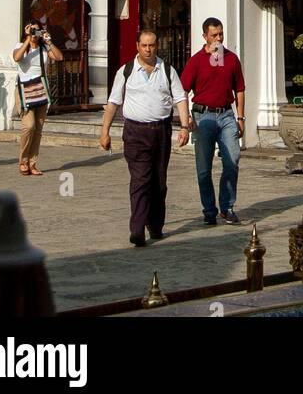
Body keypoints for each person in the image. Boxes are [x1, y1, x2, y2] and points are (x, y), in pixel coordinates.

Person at [99, 28, 190, 247]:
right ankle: (137, 229)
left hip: (160, 131)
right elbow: (113, 102)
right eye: (144, 46)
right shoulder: (126, 71)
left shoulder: (167, 70)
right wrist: (105, 131)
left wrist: (185, 126)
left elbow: (180, 98)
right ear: (137, 46)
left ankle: (155, 224)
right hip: (135, 132)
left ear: (157, 46)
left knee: (158, 181)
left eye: (152, 46)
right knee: (140, 179)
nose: (148, 50)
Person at [181, 17, 246, 226]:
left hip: (226, 115)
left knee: (232, 159)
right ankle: (209, 209)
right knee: (203, 168)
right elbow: (182, 90)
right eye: (214, 35)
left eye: (221, 34)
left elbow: (240, 89)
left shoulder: (232, 59)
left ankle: (227, 207)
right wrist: (187, 118)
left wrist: (241, 117)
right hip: (203, 116)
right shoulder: (196, 61)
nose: (218, 38)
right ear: (205, 37)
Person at [12, 22, 63, 174]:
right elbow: (16, 57)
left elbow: (59, 57)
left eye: (37, 30)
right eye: (32, 29)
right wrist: (28, 38)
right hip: (24, 89)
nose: (35, 33)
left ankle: (32, 163)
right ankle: (23, 161)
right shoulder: (20, 45)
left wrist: (49, 41)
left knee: (38, 129)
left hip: (40, 89)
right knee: (29, 126)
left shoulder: (44, 48)